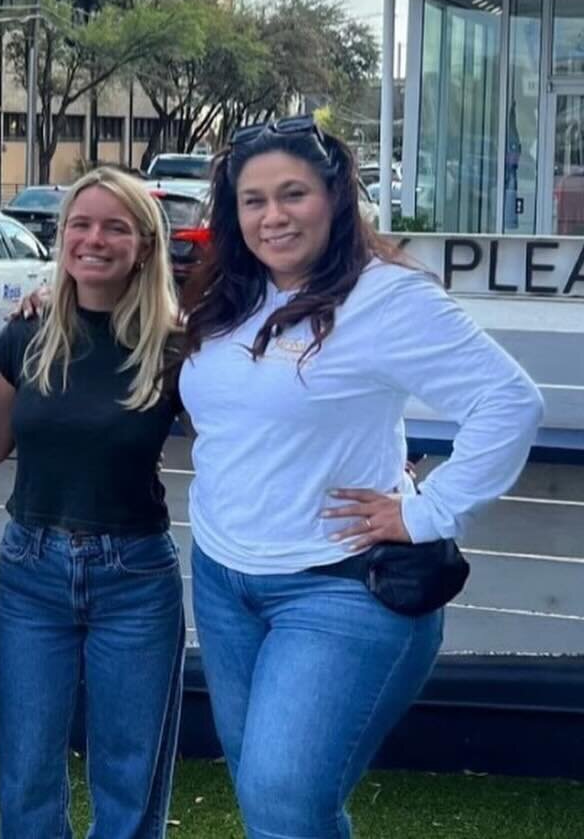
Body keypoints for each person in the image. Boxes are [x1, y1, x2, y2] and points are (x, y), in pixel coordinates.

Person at [180, 117, 544, 839]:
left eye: (293, 193)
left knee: (285, 798)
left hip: (340, 587)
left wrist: (429, 511)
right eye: (253, 200)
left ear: (335, 195)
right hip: (224, 579)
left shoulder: (385, 298)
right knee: (267, 797)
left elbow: (509, 400)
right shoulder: (231, 292)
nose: (273, 215)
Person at [0, 167, 185, 839]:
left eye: (114, 227)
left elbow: (244, 438)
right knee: (28, 772)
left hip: (135, 575)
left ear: (145, 245)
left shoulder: (176, 346)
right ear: (62, 235)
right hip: (31, 570)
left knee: (129, 775)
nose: (94, 239)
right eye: (80, 224)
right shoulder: (26, 335)